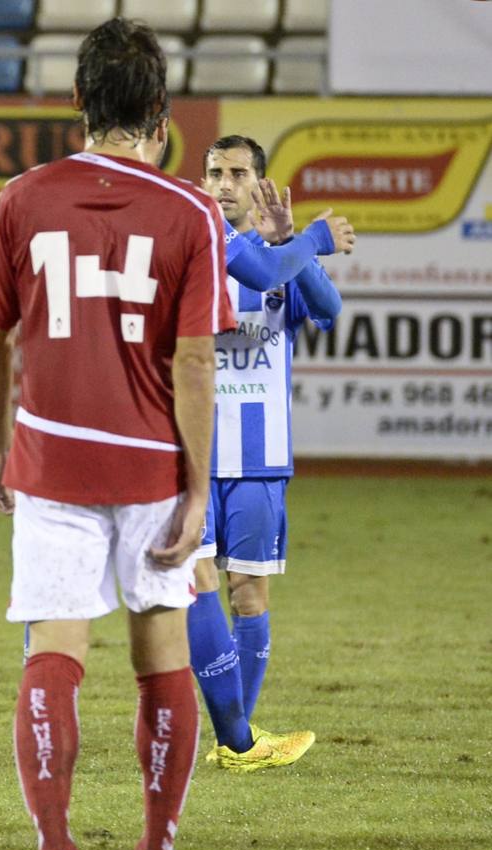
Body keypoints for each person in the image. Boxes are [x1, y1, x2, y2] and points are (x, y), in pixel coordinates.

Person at [0, 19, 235, 850]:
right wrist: (199, 489)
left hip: (53, 461)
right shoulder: (192, 210)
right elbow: (194, 362)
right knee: (161, 656)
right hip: (152, 465)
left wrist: (2, 445)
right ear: (160, 110)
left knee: (53, 651)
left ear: (77, 101)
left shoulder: (22, 197)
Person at [186, 135, 344, 771]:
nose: (225, 184)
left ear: (260, 183)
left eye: (238, 173)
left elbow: (329, 307)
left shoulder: (276, 257)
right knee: (193, 591)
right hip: (192, 454)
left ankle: (236, 739)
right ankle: (237, 740)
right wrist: (299, 241)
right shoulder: (195, 249)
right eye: (215, 173)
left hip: (259, 457)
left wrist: (292, 245)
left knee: (247, 594)